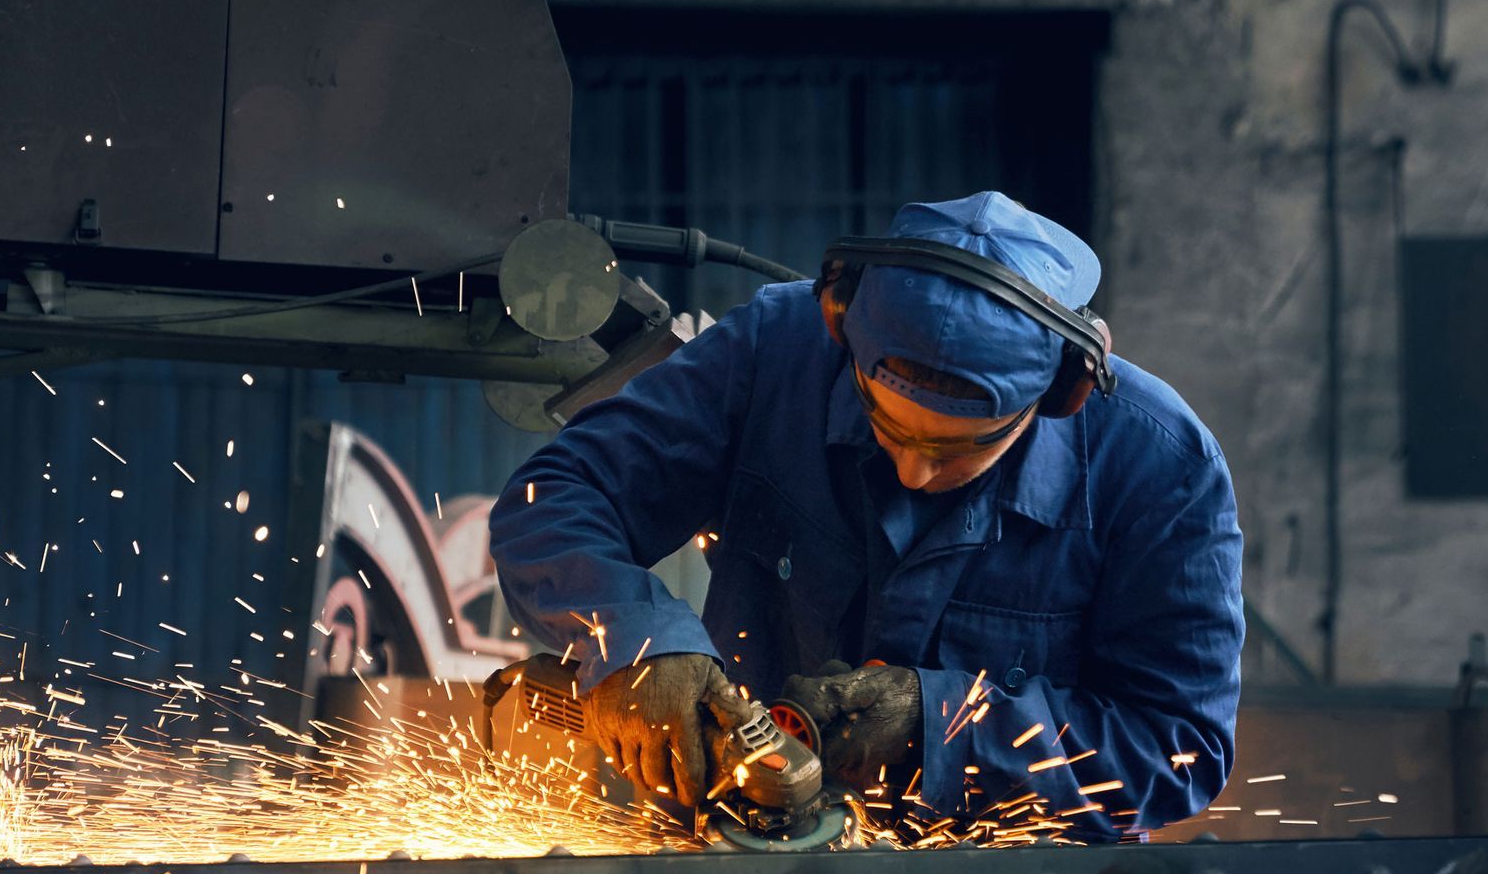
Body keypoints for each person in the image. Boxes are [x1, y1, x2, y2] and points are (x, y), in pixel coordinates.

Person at [488, 191, 1243, 837]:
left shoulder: (1160, 467)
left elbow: (1179, 748)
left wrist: (944, 726)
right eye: (889, 429)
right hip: (737, 860)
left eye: (957, 451)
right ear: (839, 325)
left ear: (1058, 396)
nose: (913, 470)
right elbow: (559, 494)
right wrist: (635, 642)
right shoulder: (773, 356)